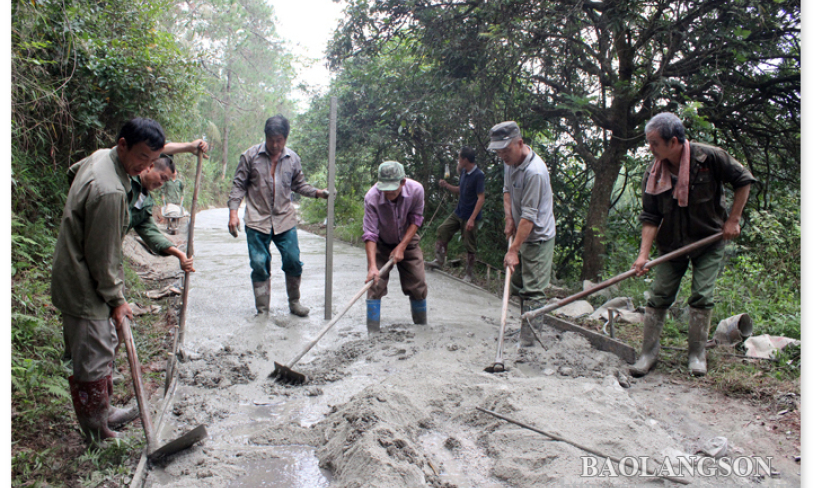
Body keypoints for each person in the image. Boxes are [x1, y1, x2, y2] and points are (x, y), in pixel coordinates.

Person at [52, 118, 167, 442]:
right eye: (141, 157)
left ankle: (105, 413)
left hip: (83, 270)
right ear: (122, 145)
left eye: (151, 161)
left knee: (104, 345)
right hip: (83, 282)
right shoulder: (111, 192)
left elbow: (72, 174)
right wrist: (118, 300)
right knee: (93, 353)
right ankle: (96, 430)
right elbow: (103, 260)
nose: (145, 166)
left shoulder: (100, 157)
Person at [629, 112, 755, 377]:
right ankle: (648, 354)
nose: (650, 148)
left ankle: (697, 355)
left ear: (673, 142)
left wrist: (733, 219)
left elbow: (743, 180)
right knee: (659, 295)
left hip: (709, 240)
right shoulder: (653, 174)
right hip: (672, 246)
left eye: (654, 143)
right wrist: (643, 256)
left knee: (701, 295)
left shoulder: (710, 158)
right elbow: (651, 218)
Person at [227, 115, 329, 316]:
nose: (275, 144)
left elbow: (299, 185)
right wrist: (233, 214)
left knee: (293, 260)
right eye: (271, 139)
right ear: (265, 136)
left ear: (286, 138)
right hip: (257, 220)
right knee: (259, 263)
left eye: (279, 140)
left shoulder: (293, 159)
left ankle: (295, 302)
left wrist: (318, 193)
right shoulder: (250, 156)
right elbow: (238, 186)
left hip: (284, 220)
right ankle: (263, 309)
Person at [489, 121, 556, 348]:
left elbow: (529, 218)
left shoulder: (534, 172)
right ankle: (524, 329)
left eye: (506, 151)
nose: (502, 156)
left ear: (520, 143)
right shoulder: (510, 162)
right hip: (520, 231)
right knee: (517, 284)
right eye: (499, 152)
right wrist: (509, 219)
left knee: (533, 289)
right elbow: (507, 192)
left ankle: (529, 342)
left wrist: (514, 250)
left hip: (537, 237)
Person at [363, 161, 428, 333]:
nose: (389, 192)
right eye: (385, 188)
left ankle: (421, 329)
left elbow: (416, 219)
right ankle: (373, 331)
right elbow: (370, 234)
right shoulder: (372, 198)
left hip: (408, 240)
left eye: (393, 187)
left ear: (403, 182)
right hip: (382, 242)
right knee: (374, 284)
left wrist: (402, 246)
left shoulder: (416, 190)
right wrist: (372, 267)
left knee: (418, 282)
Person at [425, 146, 485, 282]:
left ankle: (469, 274)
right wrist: (446, 185)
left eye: (459, 158)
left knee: (469, 243)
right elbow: (460, 189)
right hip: (458, 212)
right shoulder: (464, 172)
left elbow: (481, 198)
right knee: (443, 229)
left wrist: (472, 219)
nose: (458, 160)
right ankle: (439, 261)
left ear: (465, 159)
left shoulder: (478, 175)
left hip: (470, 215)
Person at [161, 166, 185, 233]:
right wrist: (163, 195)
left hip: (177, 201)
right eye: (172, 172)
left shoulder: (179, 182)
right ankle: (169, 225)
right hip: (169, 201)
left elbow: (182, 189)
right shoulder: (167, 181)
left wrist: (182, 196)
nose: (173, 173)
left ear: (176, 173)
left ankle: (175, 225)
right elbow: (162, 188)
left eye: (174, 172)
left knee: (177, 214)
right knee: (170, 213)